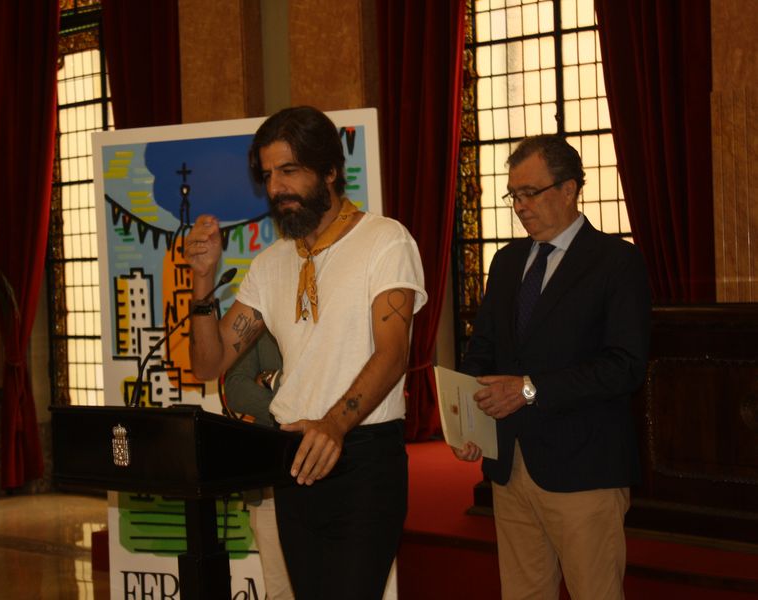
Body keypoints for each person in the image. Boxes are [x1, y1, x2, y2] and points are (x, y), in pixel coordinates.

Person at [184, 105, 427, 599]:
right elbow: (209, 364)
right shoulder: (270, 263)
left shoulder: (385, 240)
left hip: (363, 454)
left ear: (330, 170)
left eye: (289, 171)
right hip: (292, 459)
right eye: (268, 175)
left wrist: (334, 425)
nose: (276, 188)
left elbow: (392, 355)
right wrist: (203, 283)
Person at [453, 135, 651, 599]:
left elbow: (624, 366)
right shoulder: (506, 262)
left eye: (530, 192)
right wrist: (466, 419)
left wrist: (529, 389)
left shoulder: (616, 261)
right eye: (513, 195)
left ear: (568, 189)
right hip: (510, 465)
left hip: (583, 467)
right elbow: (482, 352)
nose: (520, 206)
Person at [223, 331, 294, 600]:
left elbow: (328, 384)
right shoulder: (259, 320)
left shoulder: (331, 312)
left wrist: (270, 380)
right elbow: (236, 389)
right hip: (270, 483)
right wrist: (293, 410)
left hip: (329, 478)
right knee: (280, 593)